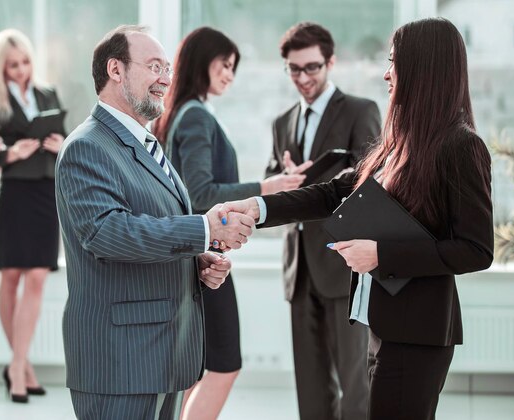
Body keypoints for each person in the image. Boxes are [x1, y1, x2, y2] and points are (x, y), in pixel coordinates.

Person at [219, 17, 493, 420]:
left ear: (422, 67)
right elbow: (332, 192)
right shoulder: (398, 143)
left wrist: (382, 254)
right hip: (381, 325)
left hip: (417, 333)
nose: (386, 73)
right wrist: (258, 207)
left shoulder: (461, 146)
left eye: (393, 62)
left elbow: (476, 250)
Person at [54, 25, 255, 420]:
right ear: (116, 70)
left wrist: (196, 262)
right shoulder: (87, 147)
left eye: (168, 67)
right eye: (154, 66)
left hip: (164, 356)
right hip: (121, 363)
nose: (166, 78)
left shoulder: (147, 145)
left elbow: (146, 229)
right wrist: (204, 230)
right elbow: (107, 233)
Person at [152, 26, 306, 420]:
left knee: (195, 369)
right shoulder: (196, 117)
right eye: (225, 65)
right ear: (203, 62)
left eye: (234, 68)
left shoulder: (179, 114)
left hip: (189, 255)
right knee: (224, 364)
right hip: (206, 259)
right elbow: (202, 193)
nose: (229, 75)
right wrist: (265, 187)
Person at [264, 22, 381, 420]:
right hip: (298, 270)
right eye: (294, 70)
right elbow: (272, 185)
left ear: (331, 62)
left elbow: (372, 184)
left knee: (355, 383)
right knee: (310, 386)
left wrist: (319, 181)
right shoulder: (282, 122)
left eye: (311, 67)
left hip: (342, 265)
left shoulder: (360, 111)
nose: (303, 78)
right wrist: (286, 179)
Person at [0, 28, 66, 403]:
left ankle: (17, 365)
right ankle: (21, 368)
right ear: (1, 68)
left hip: (45, 193)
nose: (21, 70)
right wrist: (9, 153)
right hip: (14, 194)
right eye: (13, 65)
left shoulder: (48, 94)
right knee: (10, 277)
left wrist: (62, 145)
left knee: (37, 278)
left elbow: (70, 143)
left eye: (25, 62)